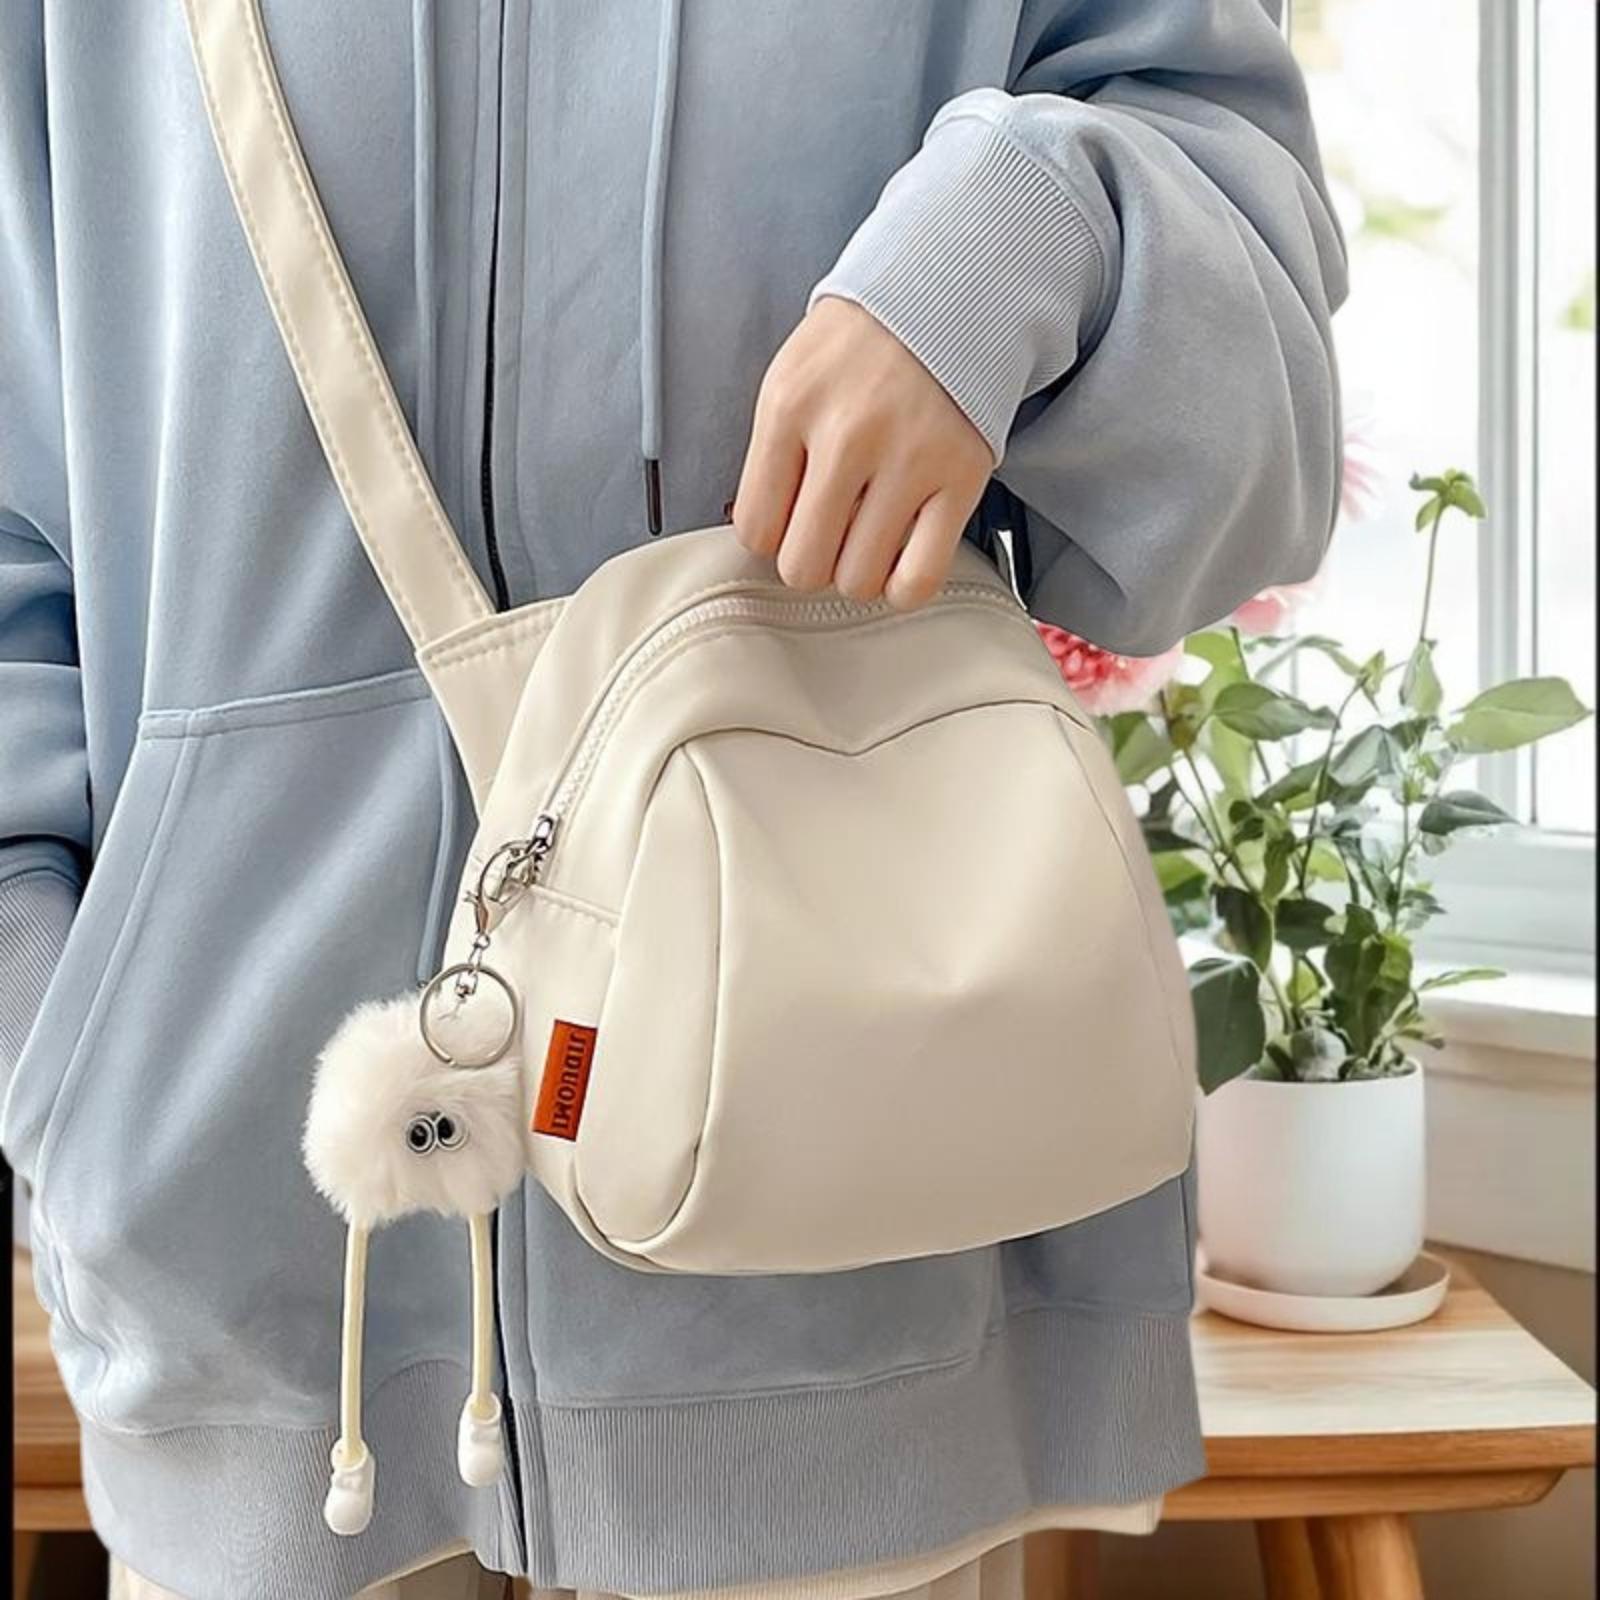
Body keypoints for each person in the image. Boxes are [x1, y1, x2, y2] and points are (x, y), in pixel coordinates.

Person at [0, 3, 1346, 1597]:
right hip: (255, 1268)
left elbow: (1263, 421)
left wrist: (1025, 232)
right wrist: (61, 1040)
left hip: (839, 1262)